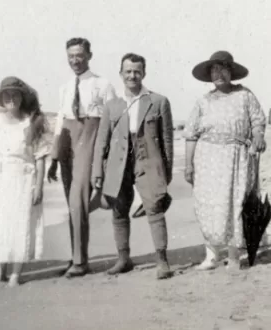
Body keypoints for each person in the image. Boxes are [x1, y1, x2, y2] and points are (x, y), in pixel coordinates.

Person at [92, 53, 175, 280]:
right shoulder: (112, 105)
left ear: (144, 74)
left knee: (155, 207)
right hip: (118, 163)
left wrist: (165, 174)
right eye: (127, 71)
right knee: (119, 211)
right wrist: (97, 172)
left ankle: (162, 261)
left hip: (147, 159)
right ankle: (123, 259)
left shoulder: (158, 101)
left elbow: (167, 140)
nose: (132, 75)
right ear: (121, 74)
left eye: (136, 71)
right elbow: (102, 141)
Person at [184, 51, 267, 271]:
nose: (219, 74)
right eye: (214, 70)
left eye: (223, 69)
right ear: (209, 74)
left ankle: (233, 256)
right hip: (206, 159)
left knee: (234, 204)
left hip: (236, 158)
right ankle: (211, 256)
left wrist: (258, 135)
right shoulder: (203, 101)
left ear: (231, 72)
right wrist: (188, 165)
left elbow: (258, 120)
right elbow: (191, 134)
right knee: (208, 205)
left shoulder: (245, 95)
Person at [47, 37, 117, 277]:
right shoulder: (65, 87)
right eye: (71, 56)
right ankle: (77, 256)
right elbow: (59, 120)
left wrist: (106, 156)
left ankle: (80, 261)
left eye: (79, 55)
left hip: (89, 137)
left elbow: (112, 119)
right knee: (72, 203)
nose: (75, 60)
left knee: (78, 200)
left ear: (89, 55)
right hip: (67, 140)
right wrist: (54, 157)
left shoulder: (103, 83)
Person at [0, 77, 50, 287]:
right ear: (1, 99)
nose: (11, 99)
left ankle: (16, 273)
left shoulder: (31, 121)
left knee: (20, 223)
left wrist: (39, 187)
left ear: (21, 97)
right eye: (6, 95)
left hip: (23, 179)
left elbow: (40, 157)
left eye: (15, 94)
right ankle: (0, 272)